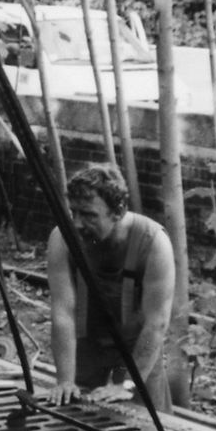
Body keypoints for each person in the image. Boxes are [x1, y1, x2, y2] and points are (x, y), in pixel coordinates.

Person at [43, 163, 179, 409]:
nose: (78, 223)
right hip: (89, 347)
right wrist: (65, 380)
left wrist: (127, 383)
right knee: (78, 416)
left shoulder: (153, 243)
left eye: (89, 215)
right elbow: (63, 312)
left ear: (117, 212)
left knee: (145, 429)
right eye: (74, 213)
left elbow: (156, 322)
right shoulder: (62, 238)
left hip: (138, 350)